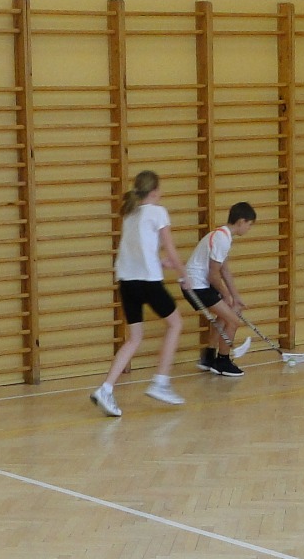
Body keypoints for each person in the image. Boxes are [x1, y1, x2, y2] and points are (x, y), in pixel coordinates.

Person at [91, 170, 184, 417]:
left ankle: (106, 389)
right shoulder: (158, 211)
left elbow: (139, 250)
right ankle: (161, 382)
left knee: (134, 338)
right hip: (148, 282)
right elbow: (171, 249)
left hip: (127, 282)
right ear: (154, 191)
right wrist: (184, 274)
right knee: (175, 324)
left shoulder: (130, 213)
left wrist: (160, 262)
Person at [182, 201, 257, 376]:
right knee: (233, 321)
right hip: (196, 287)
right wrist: (225, 295)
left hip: (199, 284)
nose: (249, 228)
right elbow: (213, 275)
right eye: (249, 224)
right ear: (241, 221)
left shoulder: (223, 236)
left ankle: (208, 357)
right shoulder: (221, 239)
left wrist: (234, 296)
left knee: (225, 316)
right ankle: (223, 362)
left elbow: (224, 270)